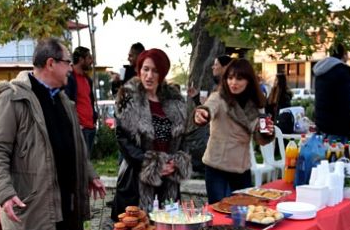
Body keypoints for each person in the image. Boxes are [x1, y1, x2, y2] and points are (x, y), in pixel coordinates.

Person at [0, 38, 105, 230]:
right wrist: (5, 193)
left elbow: (76, 145)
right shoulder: (12, 98)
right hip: (32, 210)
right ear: (51, 63)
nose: (71, 68)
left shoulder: (63, 101)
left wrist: (90, 175)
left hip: (60, 209)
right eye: (67, 62)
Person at [112, 48, 191, 216]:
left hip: (168, 179)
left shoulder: (174, 100)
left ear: (162, 74)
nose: (149, 75)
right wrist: (151, 164)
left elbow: (182, 137)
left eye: (155, 71)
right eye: (145, 69)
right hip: (137, 176)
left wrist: (176, 162)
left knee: (168, 229)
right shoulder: (127, 99)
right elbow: (123, 140)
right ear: (139, 70)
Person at [193, 58, 275, 204]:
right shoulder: (219, 97)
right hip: (217, 166)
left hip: (242, 167)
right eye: (230, 77)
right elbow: (208, 108)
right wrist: (202, 113)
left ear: (249, 80)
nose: (233, 82)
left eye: (239, 78)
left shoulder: (256, 104)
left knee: (243, 212)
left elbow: (260, 138)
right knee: (219, 212)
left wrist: (266, 132)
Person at [313, 42, 350, 175]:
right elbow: (347, 102)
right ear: (344, 54)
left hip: (323, 123)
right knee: (339, 166)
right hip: (338, 125)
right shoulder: (342, 71)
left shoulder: (321, 72)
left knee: (327, 162)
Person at [65, 46, 98, 154]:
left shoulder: (87, 79)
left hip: (90, 127)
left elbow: (89, 101)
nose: (91, 61)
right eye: (89, 58)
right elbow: (67, 102)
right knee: (79, 164)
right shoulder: (69, 78)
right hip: (79, 129)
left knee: (87, 163)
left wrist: (94, 119)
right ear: (80, 59)